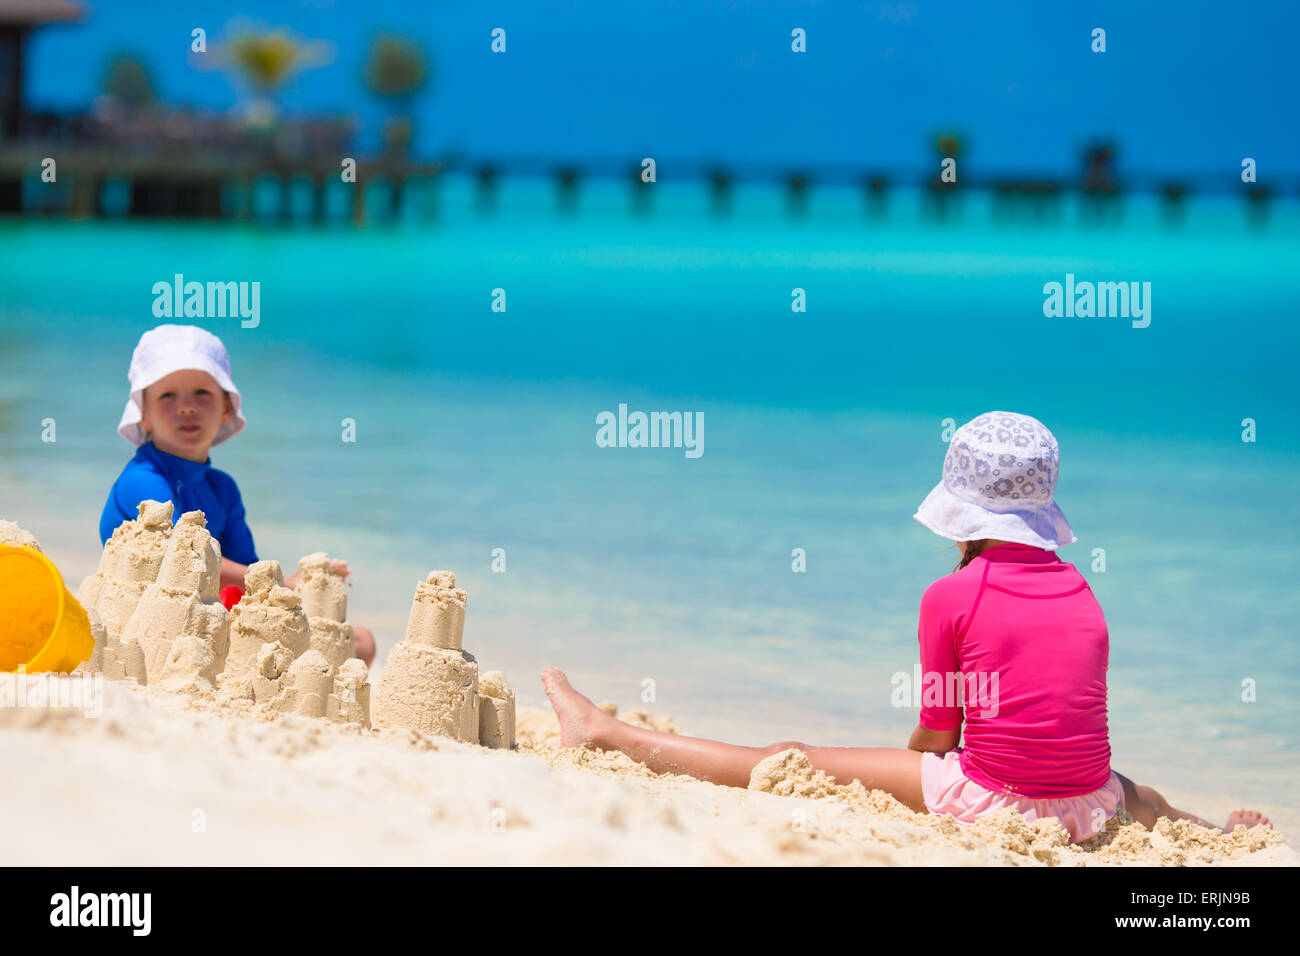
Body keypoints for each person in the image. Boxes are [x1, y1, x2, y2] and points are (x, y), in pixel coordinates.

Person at [541, 411, 1270, 843]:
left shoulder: (952, 595)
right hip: (1090, 802)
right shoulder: (1080, 587)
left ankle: (609, 735)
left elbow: (938, 736)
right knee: (1142, 795)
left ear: (960, 518)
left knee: (788, 757)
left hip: (996, 798)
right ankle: (1215, 833)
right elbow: (1063, 711)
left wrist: (913, 776)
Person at [99, 324, 376, 667]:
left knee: (361, 641)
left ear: (227, 408)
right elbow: (179, 556)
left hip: (206, 614)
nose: (186, 407)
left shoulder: (223, 489)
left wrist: (301, 587)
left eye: (202, 393)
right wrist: (286, 583)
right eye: (167, 395)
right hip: (151, 623)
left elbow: (247, 573)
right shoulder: (143, 481)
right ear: (144, 413)